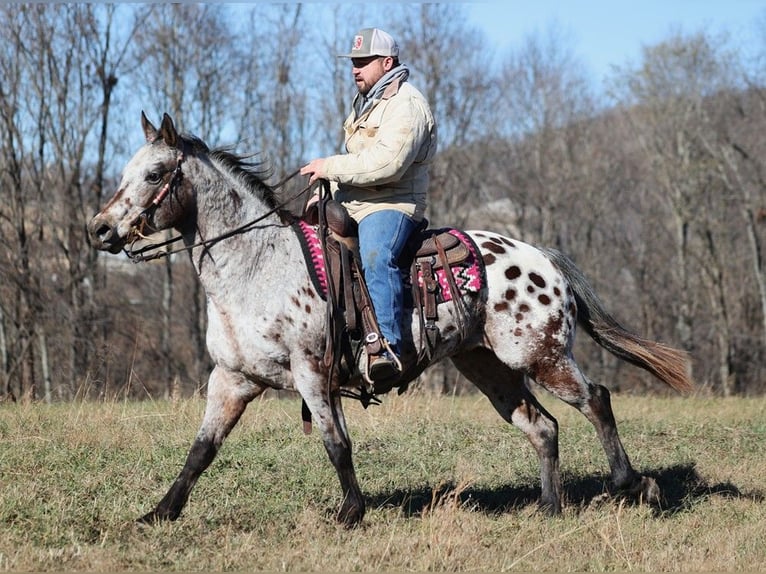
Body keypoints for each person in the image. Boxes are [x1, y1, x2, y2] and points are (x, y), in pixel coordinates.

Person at [301, 27, 437, 382]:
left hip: (392, 204)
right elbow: (357, 158)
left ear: (387, 62)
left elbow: (386, 163)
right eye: (353, 62)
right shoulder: (367, 102)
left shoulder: (407, 104)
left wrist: (329, 166)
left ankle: (387, 348)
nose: (355, 69)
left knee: (377, 256)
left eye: (363, 62)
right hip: (354, 200)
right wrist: (327, 188)